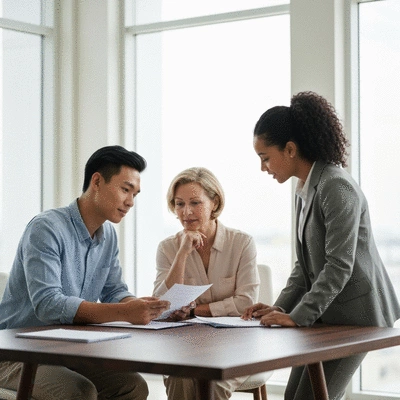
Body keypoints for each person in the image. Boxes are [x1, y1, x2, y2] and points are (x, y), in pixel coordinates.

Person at [242, 91, 400, 400]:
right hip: (331, 316)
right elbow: (304, 267)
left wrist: (297, 317)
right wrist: (280, 308)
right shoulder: (305, 189)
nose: (263, 167)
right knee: (294, 397)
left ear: (290, 149)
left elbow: (339, 265)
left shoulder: (335, 185)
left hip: (359, 317)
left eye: (264, 157)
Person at [0, 145, 170, 400]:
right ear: (97, 181)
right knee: (79, 391)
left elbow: (114, 291)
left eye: (135, 194)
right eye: (125, 190)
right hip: (16, 353)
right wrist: (126, 312)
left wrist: (141, 306)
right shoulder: (46, 228)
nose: (130, 202)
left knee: (133, 386)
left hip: (67, 350)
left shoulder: (108, 235)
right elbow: (48, 304)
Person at [153, 167, 260, 400]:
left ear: (214, 203)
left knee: (213, 384)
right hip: (187, 342)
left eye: (195, 203)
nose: (186, 212)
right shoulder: (168, 247)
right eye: (179, 204)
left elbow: (245, 303)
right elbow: (161, 306)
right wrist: (182, 253)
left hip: (236, 343)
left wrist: (194, 310)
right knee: (178, 376)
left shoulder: (241, 243)